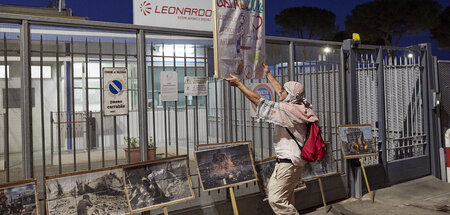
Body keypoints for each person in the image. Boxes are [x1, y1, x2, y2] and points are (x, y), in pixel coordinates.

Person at [226, 64, 318, 215]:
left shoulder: (287, 111)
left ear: (290, 96)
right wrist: (268, 74)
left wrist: (239, 85)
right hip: (294, 161)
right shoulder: (302, 106)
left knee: (275, 199)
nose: (280, 91)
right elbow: (281, 91)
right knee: (286, 197)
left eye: (284, 91)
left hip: (288, 163)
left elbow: (259, 101)